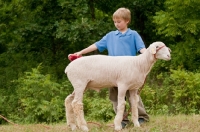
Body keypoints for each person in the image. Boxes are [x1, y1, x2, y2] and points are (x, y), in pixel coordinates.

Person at [73, 7, 149, 128]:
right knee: (115, 97)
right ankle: (122, 120)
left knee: (133, 95)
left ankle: (141, 117)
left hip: (130, 72)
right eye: (115, 22)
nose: (116, 24)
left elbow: (142, 49)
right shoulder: (110, 36)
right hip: (113, 72)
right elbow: (96, 45)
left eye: (119, 21)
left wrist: (149, 55)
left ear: (127, 21)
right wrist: (80, 53)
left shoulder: (133, 34)